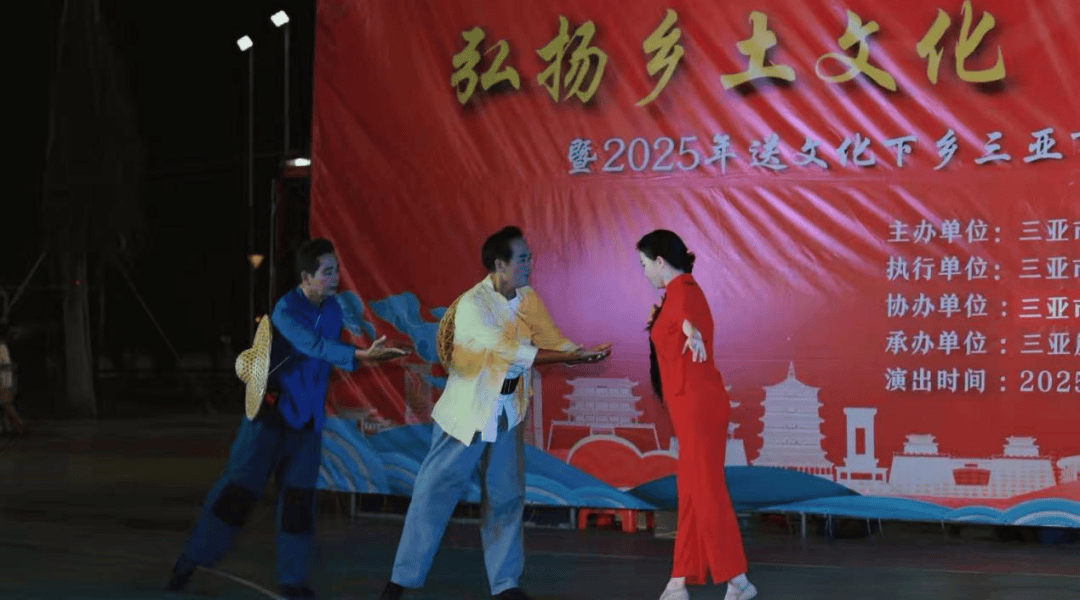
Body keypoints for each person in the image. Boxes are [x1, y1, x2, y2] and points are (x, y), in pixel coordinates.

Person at [166, 238, 408, 600]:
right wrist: (360, 355)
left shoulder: (333, 310)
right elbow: (314, 346)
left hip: (306, 425)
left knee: (298, 504)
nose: (336, 277)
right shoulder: (285, 310)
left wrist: (365, 355)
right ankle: (190, 560)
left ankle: (293, 580)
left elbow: (324, 362)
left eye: (337, 270)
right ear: (306, 277)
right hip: (269, 419)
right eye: (328, 272)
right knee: (236, 496)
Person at [380, 226, 611, 600]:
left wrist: (580, 353)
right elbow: (512, 353)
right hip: (467, 414)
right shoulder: (474, 305)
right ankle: (400, 580)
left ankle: (506, 585)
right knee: (433, 495)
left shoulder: (528, 298)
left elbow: (550, 339)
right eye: (522, 258)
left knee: (506, 497)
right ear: (500, 265)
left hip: (507, 412)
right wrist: (570, 356)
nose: (529, 264)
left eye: (529, 257)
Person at [637, 230, 756, 600]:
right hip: (689, 405)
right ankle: (678, 581)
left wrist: (694, 334)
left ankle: (738, 579)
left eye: (644, 264)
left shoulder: (685, 291)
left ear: (660, 261)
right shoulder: (675, 293)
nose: (644, 272)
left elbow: (689, 320)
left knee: (705, 490)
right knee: (690, 491)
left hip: (698, 407)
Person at [0, 322, 25, 434]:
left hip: (4, 376)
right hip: (5, 376)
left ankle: (19, 424)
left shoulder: (2, 346)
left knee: (6, 403)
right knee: (6, 404)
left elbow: (5, 365)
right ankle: (9, 426)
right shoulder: (3, 345)